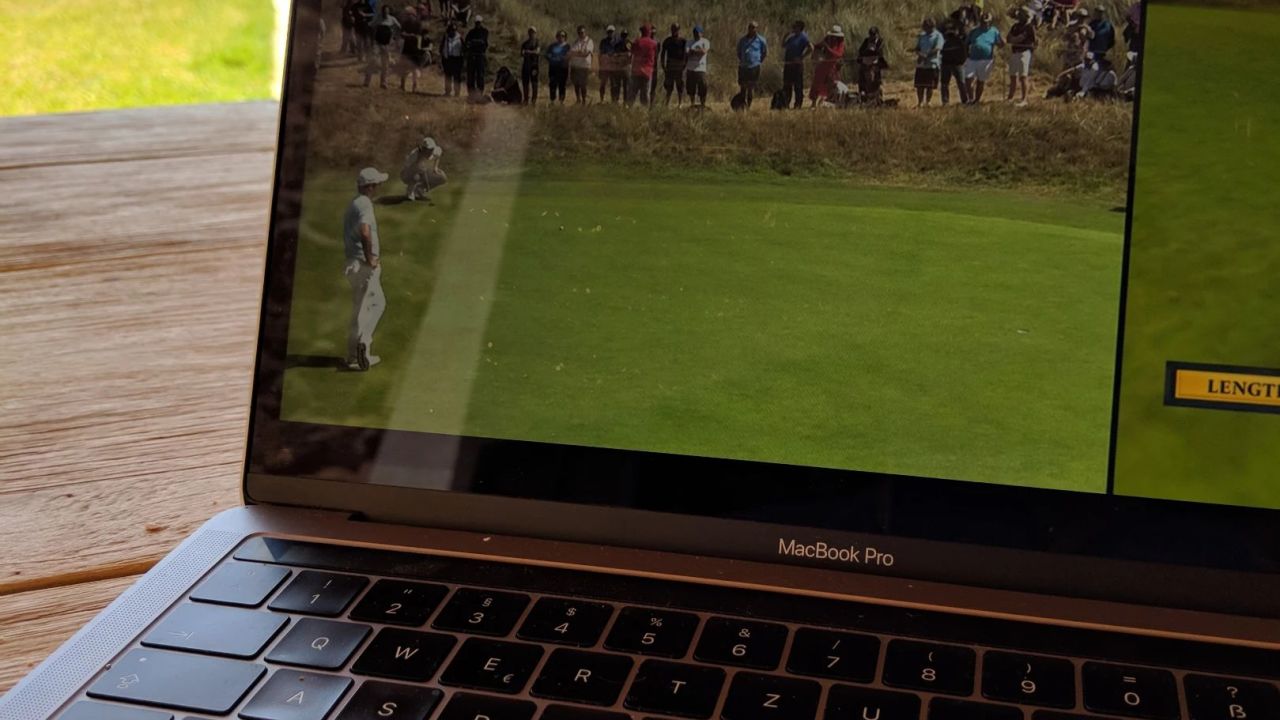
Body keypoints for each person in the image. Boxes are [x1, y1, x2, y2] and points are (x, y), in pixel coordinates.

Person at [344, 168, 389, 372]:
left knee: (370, 306)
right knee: (369, 307)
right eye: (377, 184)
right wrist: (370, 257)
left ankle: (357, 351)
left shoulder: (356, 202)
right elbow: (365, 231)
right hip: (363, 265)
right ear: (370, 186)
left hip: (354, 264)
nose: (379, 187)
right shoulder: (364, 204)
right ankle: (360, 349)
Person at [963, 13, 1004, 104]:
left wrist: (1002, 42)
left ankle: (977, 100)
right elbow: (966, 43)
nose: (985, 24)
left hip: (986, 60)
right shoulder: (974, 31)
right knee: (968, 79)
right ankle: (970, 99)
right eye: (983, 22)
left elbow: (1000, 44)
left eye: (987, 22)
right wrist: (966, 55)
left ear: (990, 22)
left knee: (980, 81)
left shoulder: (994, 31)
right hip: (972, 59)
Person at [365, 5, 401, 89]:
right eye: (384, 11)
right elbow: (370, 25)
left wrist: (394, 36)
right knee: (373, 61)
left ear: (389, 12)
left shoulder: (392, 19)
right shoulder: (378, 18)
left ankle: (384, 82)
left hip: (386, 44)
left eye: (387, 11)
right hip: (377, 43)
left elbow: (399, 27)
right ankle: (367, 81)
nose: (385, 13)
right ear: (382, 12)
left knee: (385, 64)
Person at [400, 137, 446, 202]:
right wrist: (416, 168)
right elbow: (406, 167)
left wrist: (435, 168)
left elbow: (438, 157)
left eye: (431, 149)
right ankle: (410, 191)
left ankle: (420, 189)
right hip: (408, 173)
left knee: (442, 177)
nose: (429, 151)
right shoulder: (414, 154)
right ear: (423, 148)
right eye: (427, 149)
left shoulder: (436, 150)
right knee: (416, 176)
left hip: (425, 171)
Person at [1006, 7, 1036, 105]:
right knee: (1013, 76)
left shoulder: (1029, 27)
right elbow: (1008, 38)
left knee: (1023, 76)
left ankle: (1024, 99)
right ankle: (1010, 98)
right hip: (1015, 52)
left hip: (1024, 52)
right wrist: (1014, 39)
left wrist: (1014, 40)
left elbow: (1019, 38)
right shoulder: (1015, 26)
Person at [736, 22, 768, 109]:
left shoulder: (761, 40)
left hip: (754, 66)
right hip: (743, 66)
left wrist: (758, 61)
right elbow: (738, 52)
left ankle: (749, 106)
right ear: (748, 28)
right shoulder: (742, 40)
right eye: (751, 27)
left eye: (754, 27)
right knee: (743, 87)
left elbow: (764, 52)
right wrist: (743, 60)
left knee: (750, 87)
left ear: (757, 29)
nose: (753, 29)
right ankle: (742, 105)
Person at [781, 21, 812, 110]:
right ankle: (786, 103)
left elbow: (811, 47)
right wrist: (785, 36)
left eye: (795, 27)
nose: (793, 28)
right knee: (787, 85)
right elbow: (783, 45)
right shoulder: (792, 38)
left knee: (798, 86)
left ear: (799, 28)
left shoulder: (803, 37)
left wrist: (801, 57)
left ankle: (798, 104)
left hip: (797, 66)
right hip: (788, 64)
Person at [398, 10, 431, 93]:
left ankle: (414, 86)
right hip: (406, 47)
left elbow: (419, 36)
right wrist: (409, 35)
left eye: (411, 15)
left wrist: (410, 36)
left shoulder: (418, 24)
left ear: (414, 16)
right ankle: (402, 85)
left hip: (415, 48)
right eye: (408, 15)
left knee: (414, 68)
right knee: (404, 67)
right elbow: (401, 33)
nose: (410, 17)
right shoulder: (405, 23)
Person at [914, 18, 945, 107]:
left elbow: (937, 48)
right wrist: (919, 54)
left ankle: (928, 102)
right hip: (921, 64)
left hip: (932, 64)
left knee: (929, 85)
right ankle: (920, 102)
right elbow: (917, 48)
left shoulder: (938, 36)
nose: (924, 28)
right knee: (919, 85)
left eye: (925, 26)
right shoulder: (922, 36)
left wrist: (926, 55)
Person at [940, 17, 969, 105]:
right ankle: (945, 101)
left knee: (961, 83)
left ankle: (965, 100)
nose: (951, 33)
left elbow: (964, 51)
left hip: (958, 64)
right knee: (944, 84)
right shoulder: (944, 40)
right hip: (946, 63)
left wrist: (962, 61)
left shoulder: (960, 40)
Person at [628, 24, 658, 106]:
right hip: (647, 71)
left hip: (636, 70)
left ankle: (628, 109)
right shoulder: (654, 43)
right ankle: (644, 110)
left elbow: (632, 51)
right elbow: (655, 54)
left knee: (632, 93)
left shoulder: (637, 41)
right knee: (645, 93)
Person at [659, 24, 688, 106]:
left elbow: (686, 54)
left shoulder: (683, 41)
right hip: (670, 65)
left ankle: (680, 103)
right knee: (669, 86)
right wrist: (663, 65)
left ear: (679, 30)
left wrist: (684, 65)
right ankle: (667, 103)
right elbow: (663, 54)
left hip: (679, 65)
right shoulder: (667, 41)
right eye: (673, 29)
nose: (674, 31)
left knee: (679, 85)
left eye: (676, 29)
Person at [854, 27, 884, 104]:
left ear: (877, 34)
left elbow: (879, 52)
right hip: (865, 63)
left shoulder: (880, 41)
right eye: (871, 34)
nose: (872, 36)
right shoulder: (866, 41)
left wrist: (869, 53)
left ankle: (876, 97)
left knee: (875, 81)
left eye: (874, 34)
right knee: (863, 80)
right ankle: (863, 96)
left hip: (874, 64)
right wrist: (868, 53)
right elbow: (861, 50)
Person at [685, 25, 711, 108]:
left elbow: (703, 52)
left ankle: (702, 104)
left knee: (703, 86)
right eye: (695, 33)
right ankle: (692, 104)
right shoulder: (689, 42)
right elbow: (687, 53)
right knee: (691, 87)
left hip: (701, 68)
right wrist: (697, 51)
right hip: (690, 68)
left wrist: (693, 51)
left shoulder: (705, 42)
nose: (696, 34)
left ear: (701, 33)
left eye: (698, 33)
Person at [464, 16, 490, 98]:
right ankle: (471, 92)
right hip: (472, 55)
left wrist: (473, 43)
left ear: (481, 23)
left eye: (479, 23)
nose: (478, 24)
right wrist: (476, 43)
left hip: (480, 55)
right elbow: (467, 43)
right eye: (476, 23)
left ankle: (479, 92)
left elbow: (483, 42)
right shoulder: (471, 32)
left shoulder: (484, 31)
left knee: (480, 75)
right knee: (471, 75)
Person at [599, 26, 626, 103]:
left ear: (614, 32)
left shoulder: (617, 42)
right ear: (607, 33)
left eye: (612, 32)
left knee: (614, 84)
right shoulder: (603, 42)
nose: (610, 33)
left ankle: (613, 100)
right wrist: (600, 65)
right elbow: (600, 54)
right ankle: (602, 99)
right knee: (603, 83)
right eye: (609, 32)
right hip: (605, 66)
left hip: (614, 66)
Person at [569, 25, 595, 104]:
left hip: (584, 66)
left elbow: (586, 54)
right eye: (579, 32)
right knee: (576, 84)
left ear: (585, 32)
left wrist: (577, 53)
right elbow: (571, 52)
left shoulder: (589, 41)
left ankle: (584, 101)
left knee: (583, 84)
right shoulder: (576, 41)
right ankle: (578, 100)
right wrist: (579, 53)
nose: (581, 34)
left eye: (582, 32)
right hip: (575, 65)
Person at [545, 30, 571, 103]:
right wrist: (550, 57)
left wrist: (562, 58)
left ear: (565, 37)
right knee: (552, 84)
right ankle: (552, 100)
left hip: (563, 68)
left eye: (563, 36)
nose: (561, 37)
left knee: (562, 85)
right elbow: (547, 55)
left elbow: (569, 56)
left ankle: (561, 101)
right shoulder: (552, 46)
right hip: (553, 68)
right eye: (559, 35)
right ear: (557, 37)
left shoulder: (567, 46)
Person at [441, 23, 465, 96]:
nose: (452, 32)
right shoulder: (445, 38)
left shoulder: (459, 38)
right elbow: (441, 48)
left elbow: (464, 48)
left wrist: (462, 59)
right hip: (448, 59)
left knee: (456, 77)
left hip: (457, 59)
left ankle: (457, 92)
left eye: (454, 30)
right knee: (448, 76)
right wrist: (443, 57)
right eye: (451, 30)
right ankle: (448, 91)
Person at [520, 28, 540, 105]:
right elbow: (522, 53)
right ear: (528, 33)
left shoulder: (537, 42)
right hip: (526, 65)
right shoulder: (524, 43)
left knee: (534, 83)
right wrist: (529, 52)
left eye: (533, 32)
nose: (531, 34)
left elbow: (537, 52)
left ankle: (534, 100)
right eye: (530, 32)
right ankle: (526, 99)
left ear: (535, 33)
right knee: (525, 83)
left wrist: (528, 52)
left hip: (534, 66)